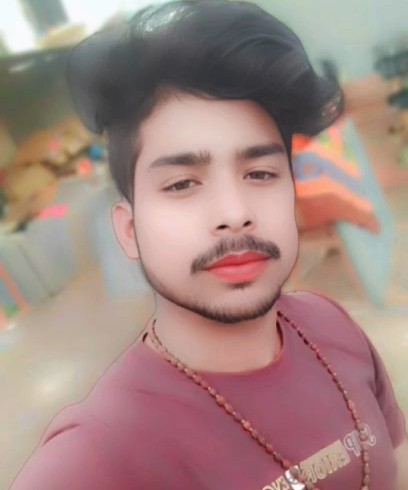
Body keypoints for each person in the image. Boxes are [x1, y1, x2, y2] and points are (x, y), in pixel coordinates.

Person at [11, 2, 407, 489]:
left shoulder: (334, 325)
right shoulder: (100, 454)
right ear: (129, 230)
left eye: (259, 173)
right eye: (182, 184)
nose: (234, 212)